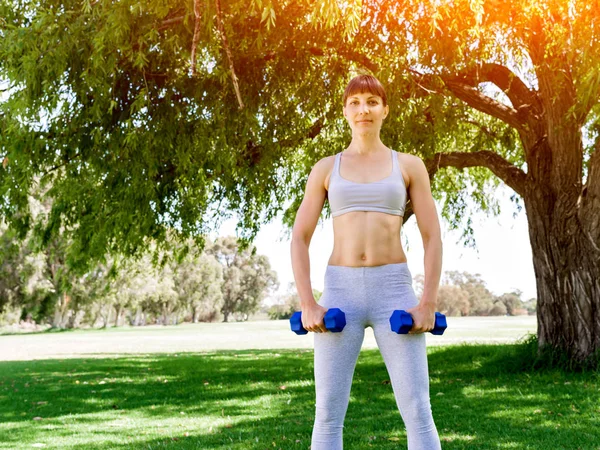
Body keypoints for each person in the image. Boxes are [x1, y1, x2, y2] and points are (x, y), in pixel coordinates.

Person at [290, 74, 443, 450]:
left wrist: (427, 304)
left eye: (372, 102)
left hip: (394, 288)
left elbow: (432, 235)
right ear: (345, 111)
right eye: (355, 102)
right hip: (340, 290)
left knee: (418, 410)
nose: (364, 109)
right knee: (327, 413)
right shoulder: (326, 168)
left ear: (385, 110)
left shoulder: (408, 165)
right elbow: (299, 237)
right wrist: (308, 303)